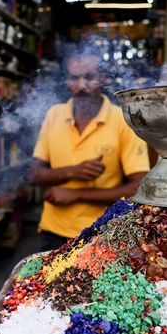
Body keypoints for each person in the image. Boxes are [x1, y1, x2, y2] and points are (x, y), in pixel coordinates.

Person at [30, 47, 151, 251]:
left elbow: (139, 188)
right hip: (53, 231)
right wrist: (73, 172)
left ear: (103, 79)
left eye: (89, 77)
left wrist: (77, 194)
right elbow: (33, 174)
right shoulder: (54, 114)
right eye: (74, 78)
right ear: (67, 81)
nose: (82, 86)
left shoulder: (122, 120)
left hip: (101, 232)